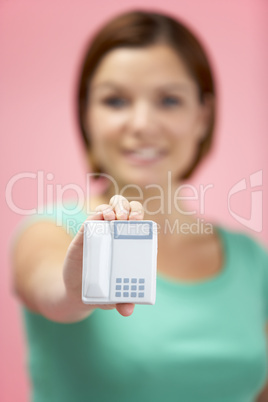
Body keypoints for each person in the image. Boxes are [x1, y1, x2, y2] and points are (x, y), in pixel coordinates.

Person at [10, 9, 268, 402]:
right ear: (87, 116)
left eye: (169, 100)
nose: (143, 123)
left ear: (203, 116)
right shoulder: (50, 231)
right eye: (115, 101)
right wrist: (75, 290)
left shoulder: (251, 259)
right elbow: (50, 289)